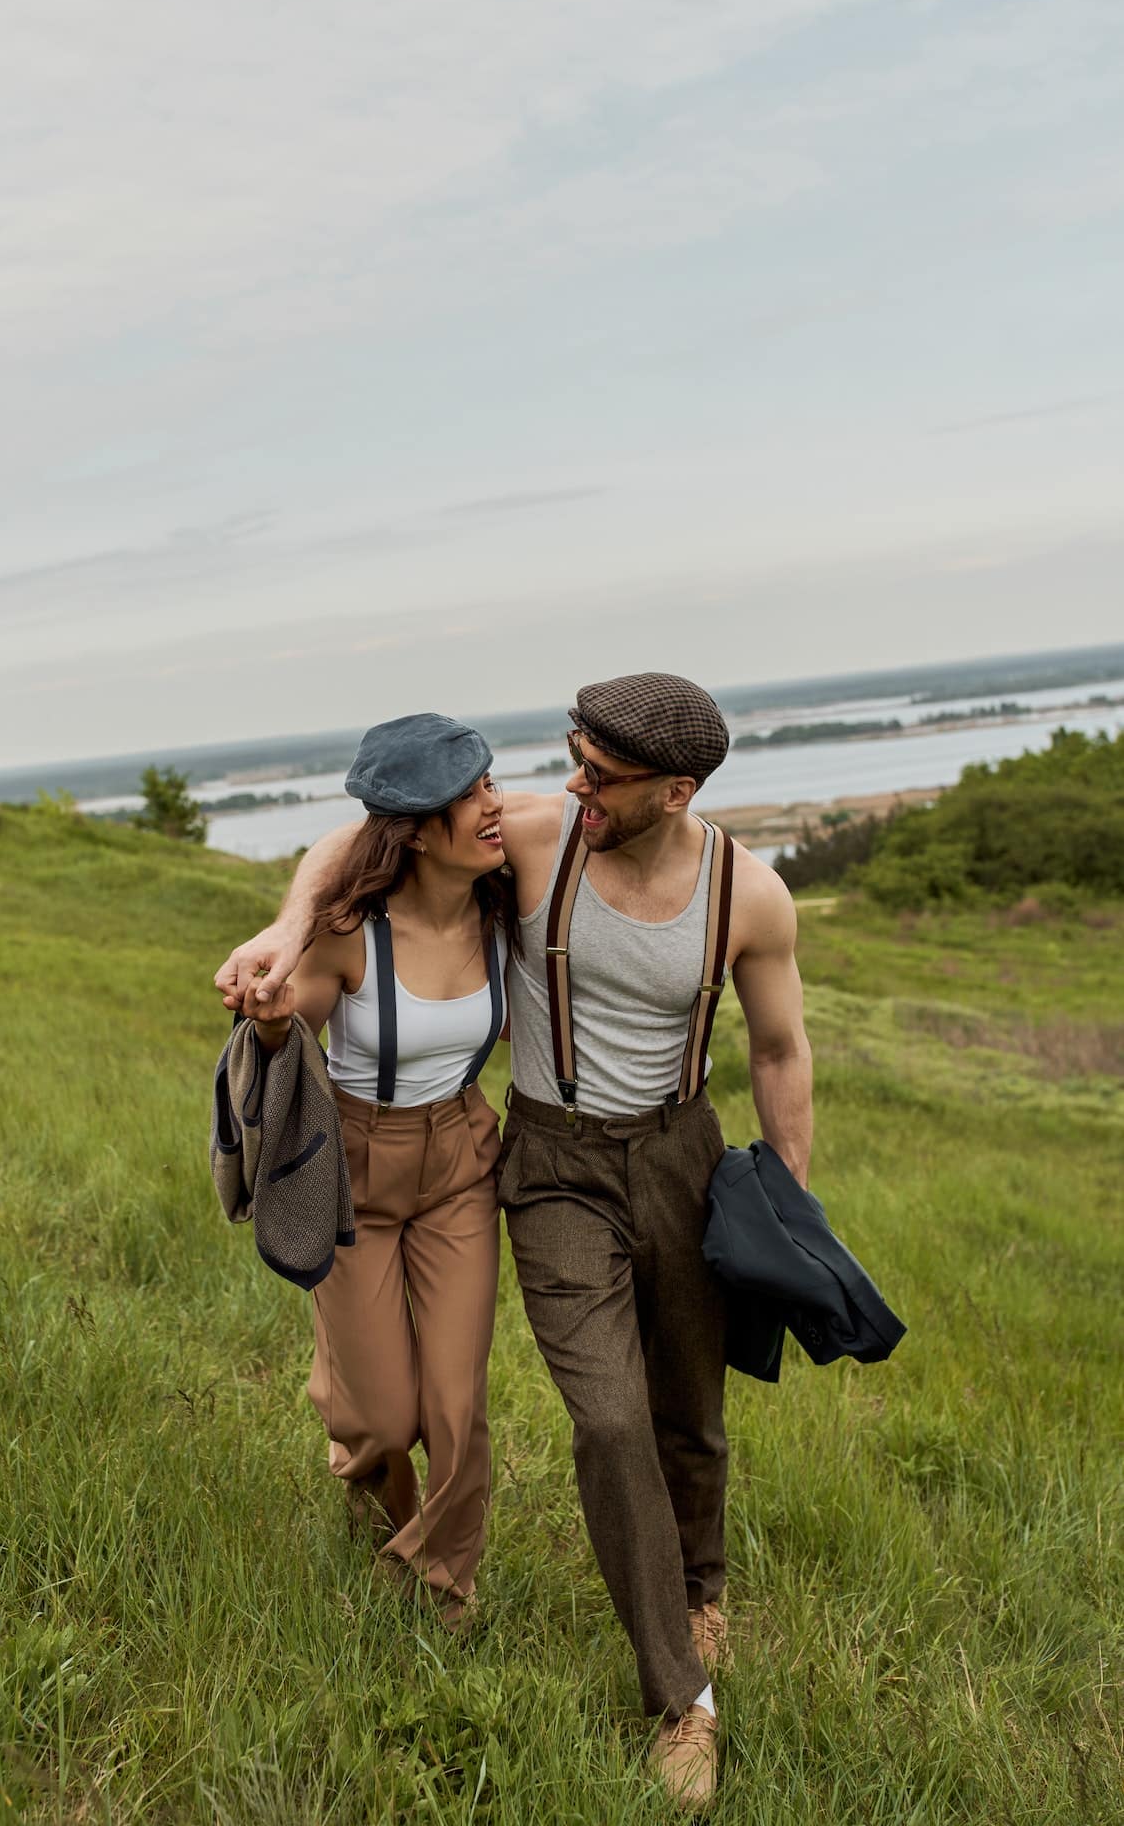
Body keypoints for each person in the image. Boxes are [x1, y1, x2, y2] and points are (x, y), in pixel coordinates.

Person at [215, 673, 813, 1809]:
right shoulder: (543, 840)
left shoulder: (752, 892)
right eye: (571, 758)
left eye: (601, 772)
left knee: (690, 1409)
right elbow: (365, 828)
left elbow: (780, 1050)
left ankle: (702, 1585)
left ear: (674, 789)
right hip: (548, 1167)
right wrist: (291, 926)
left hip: (682, 1153)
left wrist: (788, 1196)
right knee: (606, 1415)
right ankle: (680, 1701)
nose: (570, 782)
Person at [224, 712, 516, 1628]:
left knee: (456, 1406)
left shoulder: (508, 902)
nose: (493, 804)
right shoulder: (351, 933)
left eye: (489, 783)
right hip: (351, 1167)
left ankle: (440, 1584)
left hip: (461, 1163)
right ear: (416, 832)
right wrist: (270, 1016)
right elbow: (285, 1021)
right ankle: (356, 1446)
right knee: (386, 1418)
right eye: (470, 796)